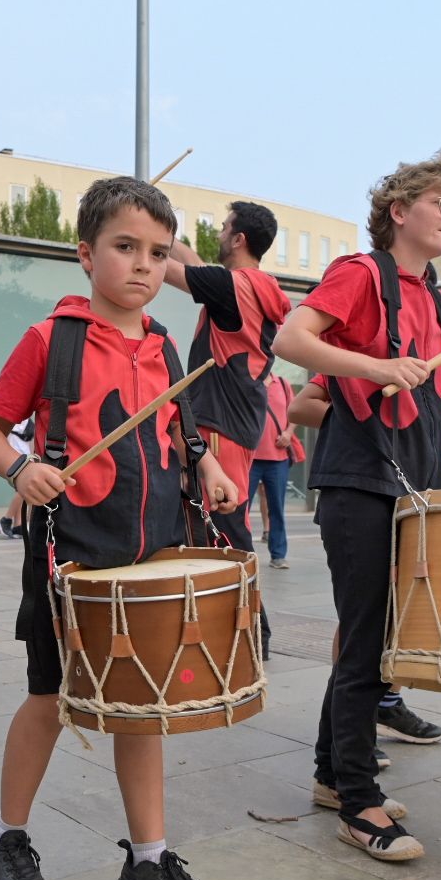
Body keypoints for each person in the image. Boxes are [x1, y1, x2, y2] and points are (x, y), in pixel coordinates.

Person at [0, 175, 239, 880]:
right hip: (71, 550)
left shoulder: (162, 348)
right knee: (50, 696)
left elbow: (180, 433)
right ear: (87, 254)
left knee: (143, 704)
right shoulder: (50, 338)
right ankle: (7, 836)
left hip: (152, 548)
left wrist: (208, 463)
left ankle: (148, 860)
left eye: (158, 252)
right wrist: (22, 469)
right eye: (125, 247)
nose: (144, 266)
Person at [273, 151, 441, 860]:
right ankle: (358, 805)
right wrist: (378, 368)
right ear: (399, 211)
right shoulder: (360, 275)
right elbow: (289, 338)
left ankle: (335, 773)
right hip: (359, 480)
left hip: (413, 483)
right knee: (366, 643)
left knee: (377, 639)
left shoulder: (436, 297)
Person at [165, 200, 291, 657]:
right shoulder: (254, 286)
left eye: (223, 228)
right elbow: (192, 262)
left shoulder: (235, 286)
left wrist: (138, 232)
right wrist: (162, 226)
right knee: (219, 524)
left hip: (218, 419)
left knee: (223, 526)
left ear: (238, 239)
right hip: (234, 420)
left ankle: (251, 632)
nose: (218, 234)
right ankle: (244, 630)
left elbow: (166, 267)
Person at [249, 369, 297, 567]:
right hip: (250, 457)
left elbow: (294, 413)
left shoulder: (283, 384)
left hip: (277, 458)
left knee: (276, 508)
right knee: (241, 508)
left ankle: (278, 555)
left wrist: (288, 433)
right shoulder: (248, 381)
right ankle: (242, 553)